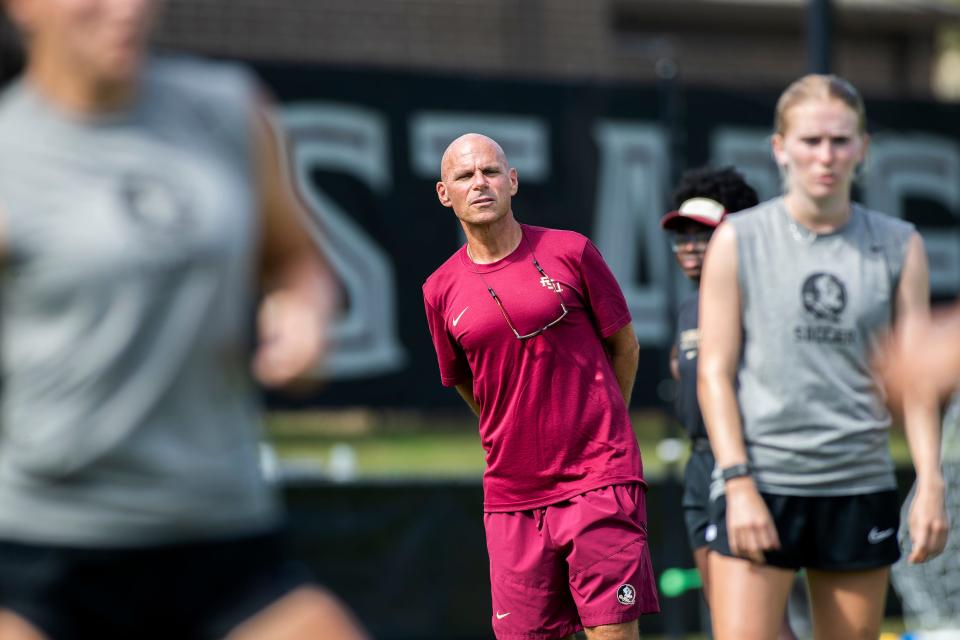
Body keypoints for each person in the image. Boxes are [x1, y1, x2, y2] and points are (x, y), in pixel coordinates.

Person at [0, 1, 367, 638]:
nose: (129, 9)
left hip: (224, 537)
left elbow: (294, 259)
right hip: (42, 558)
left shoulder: (229, 108)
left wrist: (304, 314)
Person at [697, 74, 949, 640]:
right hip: (760, 481)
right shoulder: (738, 239)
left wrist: (930, 481)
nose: (826, 156)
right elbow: (713, 373)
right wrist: (737, 484)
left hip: (858, 484)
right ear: (780, 148)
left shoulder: (898, 244)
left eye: (840, 140)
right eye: (810, 141)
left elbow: (916, 381)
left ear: (863, 148)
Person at [422, 133, 659, 640]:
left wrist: (606, 428)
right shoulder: (438, 290)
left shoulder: (570, 251)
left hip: (598, 480)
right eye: (464, 176)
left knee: (613, 632)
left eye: (490, 172)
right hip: (511, 495)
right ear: (445, 193)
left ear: (512, 181)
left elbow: (626, 346)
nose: (479, 184)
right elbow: (465, 381)